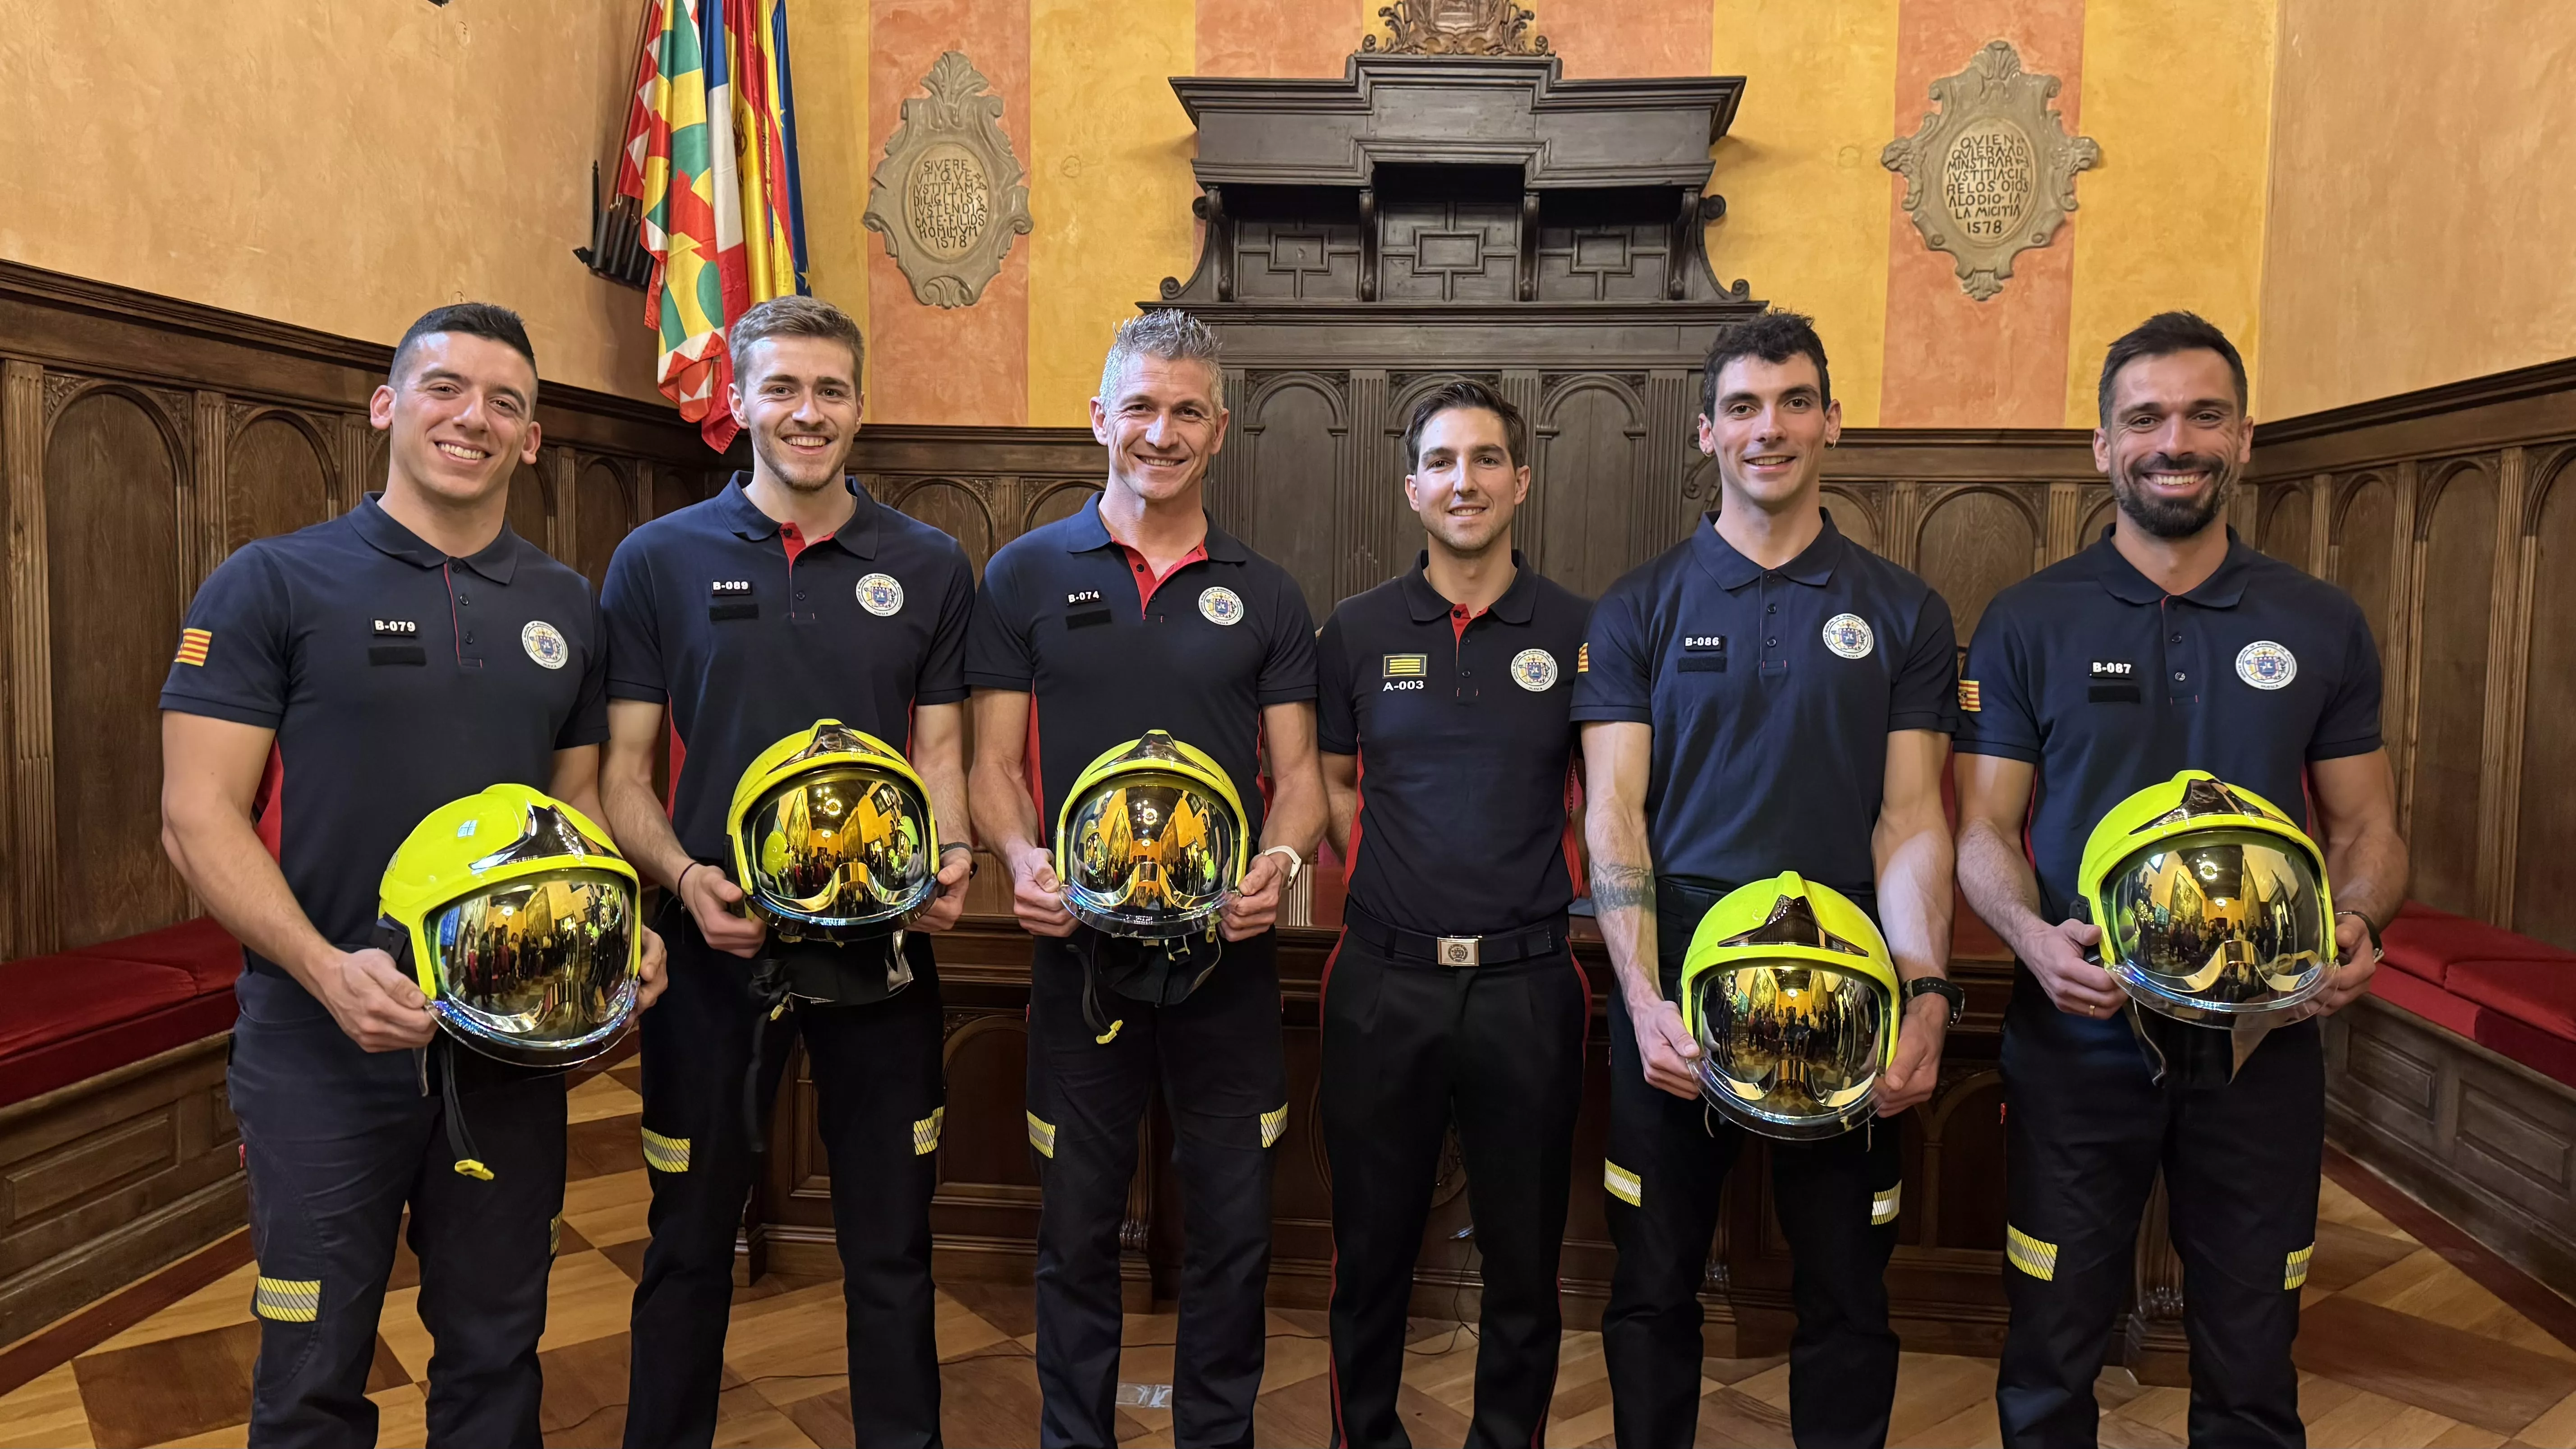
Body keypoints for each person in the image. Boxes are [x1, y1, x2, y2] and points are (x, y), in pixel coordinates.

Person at [158, 303, 668, 1449]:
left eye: (504, 403)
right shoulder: (271, 585)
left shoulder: (564, 605)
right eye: (444, 388)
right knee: (310, 1370)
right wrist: (324, 968)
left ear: (532, 439)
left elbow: (575, 807)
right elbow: (195, 818)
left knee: (496, 1355)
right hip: (318, 1044)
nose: (471, 418)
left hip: (510, 1042)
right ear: (388, 405)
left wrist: (619, 923)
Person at [1954, 312, 2406, 1449]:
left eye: (2205, 415)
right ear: (2102, 447)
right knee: (2051, 1348)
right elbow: (1984, 828)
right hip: (2082, 1030)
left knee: (2254, 1357)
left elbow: (2370, 829)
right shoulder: (2027, 620)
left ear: (2245, 438)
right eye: (2145, 418)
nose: (2176, 441)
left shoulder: (2319, 621)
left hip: (2265, 1036)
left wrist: (2356, 919)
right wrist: (2028, 933)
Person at [1575, 311, 1963, 1449]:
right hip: (1679, 989)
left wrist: (1926, 991)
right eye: (1743, 406)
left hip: (1849, 988)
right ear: (1706, 431)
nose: (1770, 428)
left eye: (1796, 401)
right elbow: (1614, 813)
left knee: (1848, 1290)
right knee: (1652, 1287)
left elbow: (1908, 821)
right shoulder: (1640, 606)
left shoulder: (1906, 611)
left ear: (1833, 422)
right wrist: (1642, 999)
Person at [597, 296, 975, 1449]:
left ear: (861, 407)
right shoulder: (656, 558)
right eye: (781, 389)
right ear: (740, 402)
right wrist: (679, 874)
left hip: (883, 949)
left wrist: (952, 855)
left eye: (829, 392)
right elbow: (618, 772)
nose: (806, 413)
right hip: (719, 947)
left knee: (892, 1246)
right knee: (687, 1238)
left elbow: (944, 750)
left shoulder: (931, 561)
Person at [965, 309, 1325, 1449]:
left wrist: (1279, 862)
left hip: (1228, 960)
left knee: (1234, 1228)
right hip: (1080, 961)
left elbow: (1304, 778)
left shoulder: (1266, 594)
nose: (1158, 433)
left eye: (1184, 412)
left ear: (1218, 430)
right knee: (1075, 1229)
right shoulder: (1022, 574)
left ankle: (1214, 1436)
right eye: (1139, 407)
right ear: (1099, 419)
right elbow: (988, 764)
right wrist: (1019, 857)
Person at [1309, 380, 1594, 1449]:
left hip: (1529, 983)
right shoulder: (1357, 629)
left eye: (1485, 460)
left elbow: (1604, 796)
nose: (1462, 481)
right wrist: (1395, 872)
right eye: (1441, 461)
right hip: (1384, 979)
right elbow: (1336, 783)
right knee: (1371, 1252)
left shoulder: (1579, 630)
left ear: (1522, 480)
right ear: (1412, 486)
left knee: (1525, 1260)